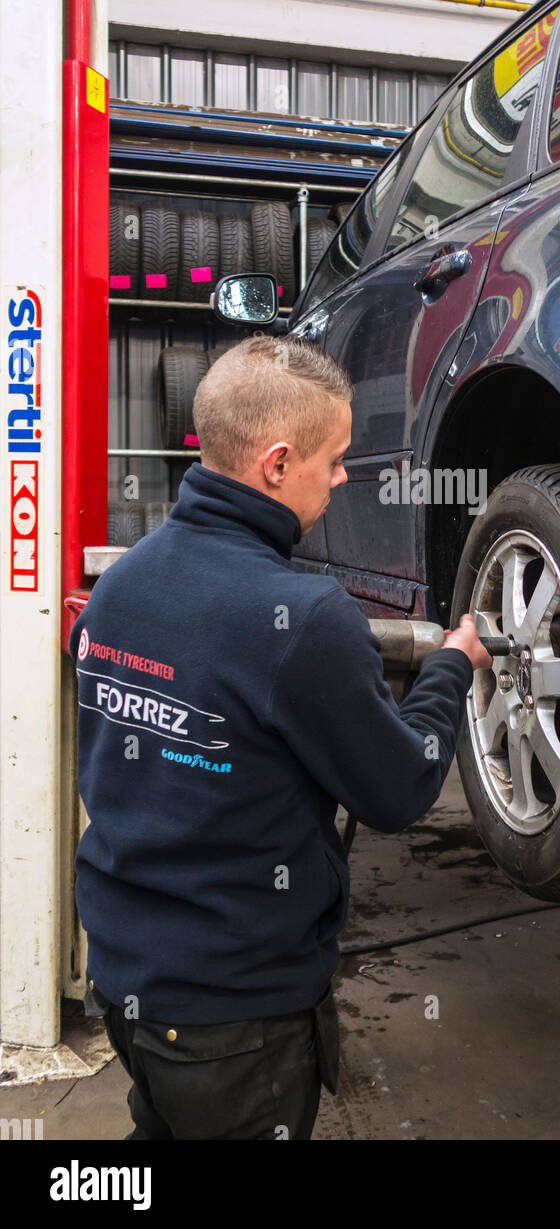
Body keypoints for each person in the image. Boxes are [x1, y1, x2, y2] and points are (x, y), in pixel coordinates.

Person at [70, 333, 491, 1140]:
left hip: (128, 981)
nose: (340, 478)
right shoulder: (305, 619)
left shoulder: (122, 584)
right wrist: (450, 668)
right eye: (334, 459)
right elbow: (399, 790)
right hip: (236, 1021)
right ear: (275, 462)